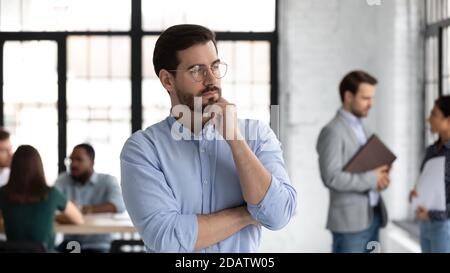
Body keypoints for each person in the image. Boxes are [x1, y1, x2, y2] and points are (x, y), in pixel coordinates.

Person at [120, 24, 297, 253]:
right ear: (167, 80)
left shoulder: (257, 136)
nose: (211, 79)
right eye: (196, 70)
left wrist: (235, 140)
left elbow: (279, 215)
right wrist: (247, 213)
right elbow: (167, 239)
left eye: (215, 67)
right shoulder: (144, 149)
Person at [316, 70, 391, 253]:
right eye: (365, 98)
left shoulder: (363, 126)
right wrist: (372, 179)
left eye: (372, 98)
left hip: (373, 215)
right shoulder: (332, 131)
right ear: (348, 96)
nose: (371, 104)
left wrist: (381, 179)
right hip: (349, 224)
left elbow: (366, 168)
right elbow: (331, 178)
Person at [0, 145, 83, 252]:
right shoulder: (52, 193)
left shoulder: (3, 193)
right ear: (39, 166)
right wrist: (53, 216)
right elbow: (78, 219)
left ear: (13, 167)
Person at [55, 143, 125, 253]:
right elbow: (51, 205)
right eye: (71, 160)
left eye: (79, 160)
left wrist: (83, 209)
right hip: (70, 245)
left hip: (98, 245)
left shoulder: (107, 181)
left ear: (92, 162)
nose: (73, 164)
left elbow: (119, 205)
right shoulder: (63, 180)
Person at [409, 96, 450, 253]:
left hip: (443, 226)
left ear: (448, 119)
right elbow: (424, 183)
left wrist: (432, 214)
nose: (428, 119)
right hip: (425, 223)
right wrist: (416, 194)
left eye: (434, 114)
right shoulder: (431, 151)